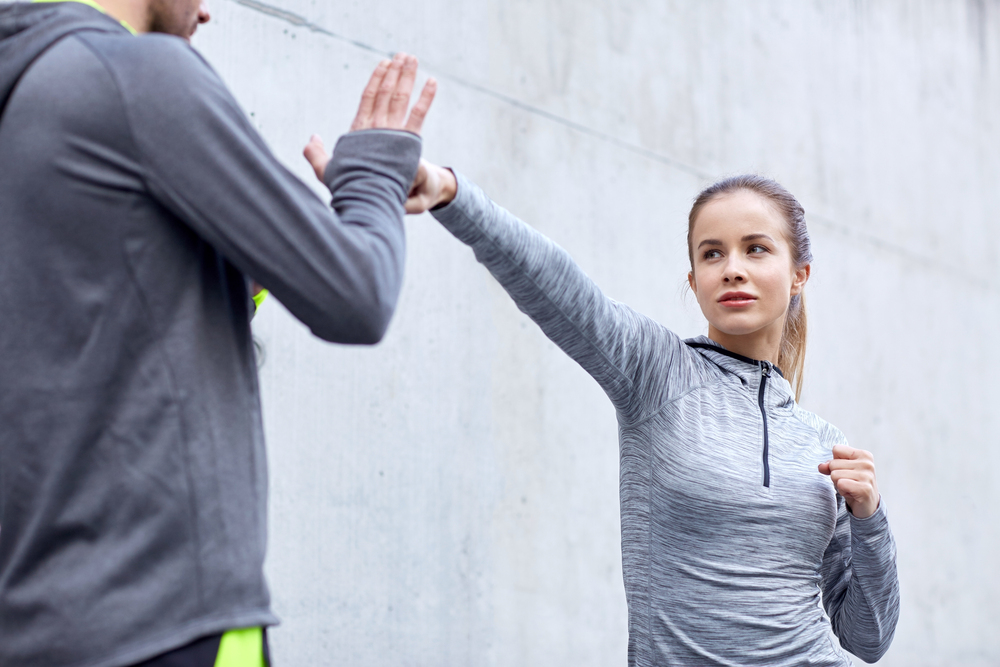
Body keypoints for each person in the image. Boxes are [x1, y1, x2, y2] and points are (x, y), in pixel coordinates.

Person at [0, 0, 436, 664]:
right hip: (165, 623)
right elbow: (357, 292)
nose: (206, 12)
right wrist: (374, 171)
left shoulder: (27, 100)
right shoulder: (138, 76)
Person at [392, 157, 901, 665]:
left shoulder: (822, 441)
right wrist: (453, 194)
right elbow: (563, 290)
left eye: (756, 249)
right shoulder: (657, 373)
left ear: (798, 275)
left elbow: (866, 638)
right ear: (695, 277)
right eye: (712, 254)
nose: (733, 269)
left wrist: (870, 518)